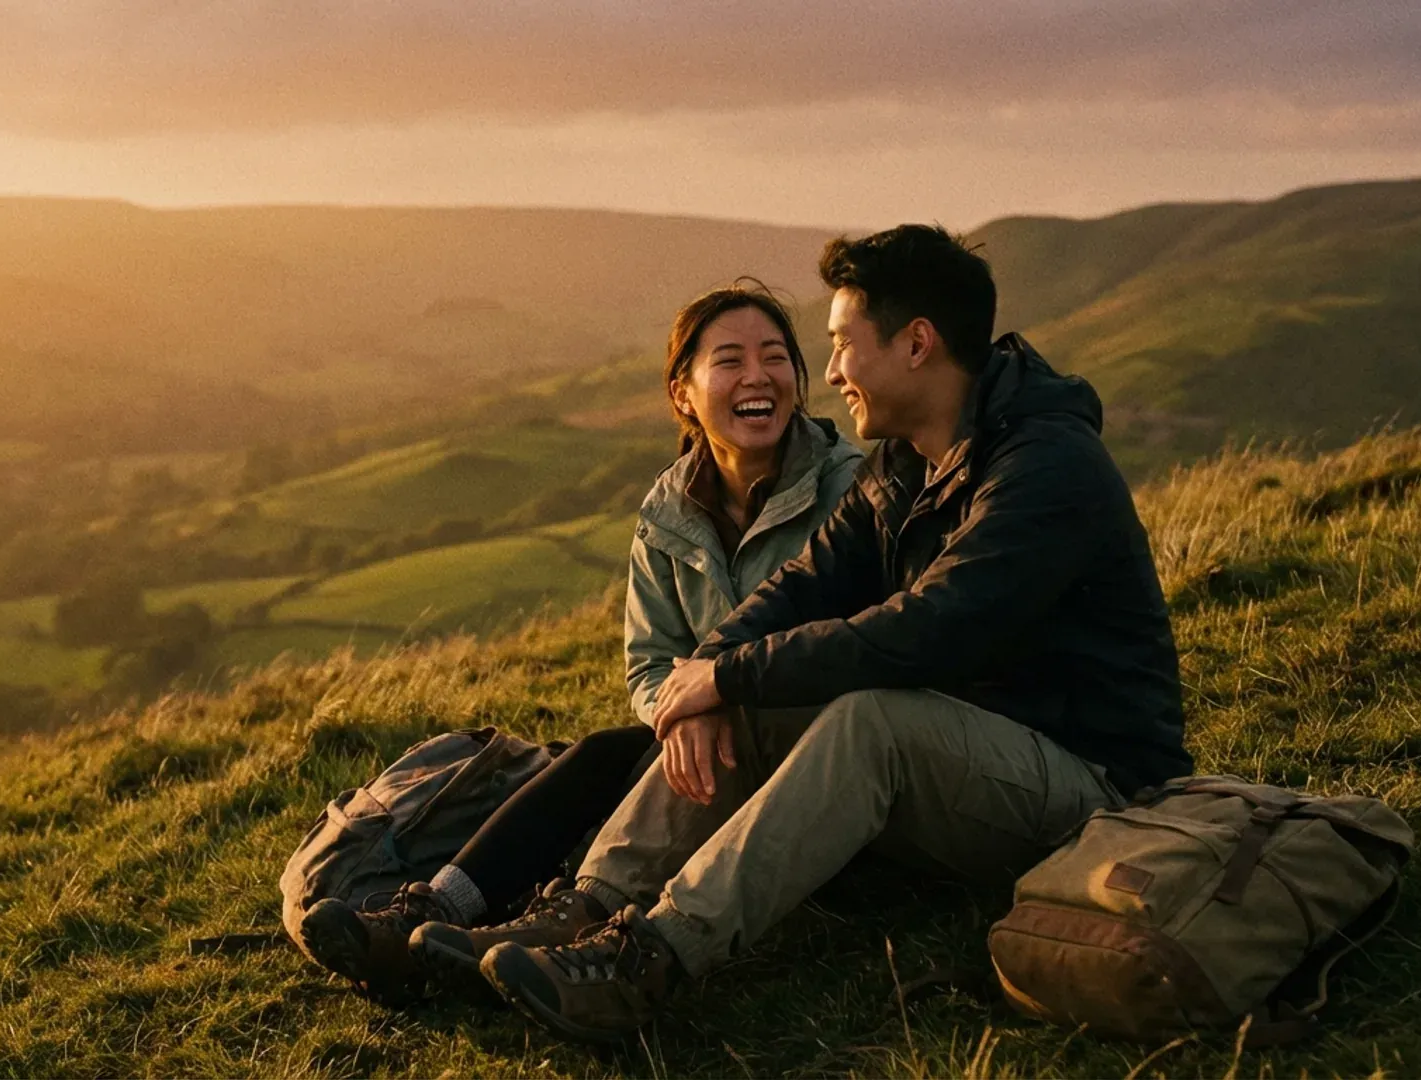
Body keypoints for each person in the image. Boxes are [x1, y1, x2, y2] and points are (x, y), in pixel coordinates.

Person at [479, 225, 1193, 1042]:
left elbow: (928, 633)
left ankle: (649, 959)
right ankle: (583, 911)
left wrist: (733, 676)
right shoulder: (904, 463)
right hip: (974, 762)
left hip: (1094, 792)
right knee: (759, 690)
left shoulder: (1044, 467)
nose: (835, 372)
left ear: (916, 344)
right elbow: (803, 586)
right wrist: (712, 673)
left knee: (867, 719)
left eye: (842, 344)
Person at [292, 282, 865, 1000]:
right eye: (730, 360)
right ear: (683, 393)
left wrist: (720, 691)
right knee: (599, 757)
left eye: (775, 357)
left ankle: (553, 928)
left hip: (800, 743)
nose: (758, 376)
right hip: (700, 736)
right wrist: (682, 707)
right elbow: (650, 661)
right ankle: (434, 915)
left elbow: (850, 640)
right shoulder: (669, 508)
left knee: (628, 767)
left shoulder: (851, 489)